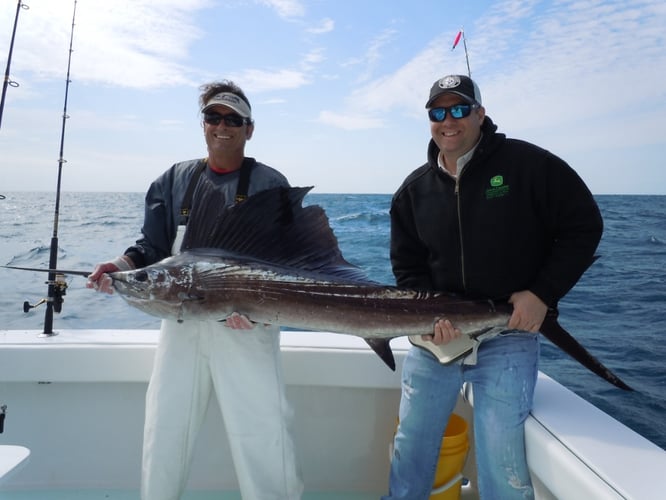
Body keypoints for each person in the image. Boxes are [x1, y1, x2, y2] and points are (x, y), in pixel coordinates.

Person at [384, 74, 603, 499]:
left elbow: (584, 224)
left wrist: (542, 293)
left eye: (460, 109)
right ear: (430, 120)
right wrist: (428, 318)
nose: (449, 120)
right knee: (411, 445)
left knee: (500, 451)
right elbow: (407, 268)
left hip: (509, 332)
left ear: (480, 114)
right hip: (439, 339)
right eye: (438, 112)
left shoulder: (529, 166)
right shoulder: (412, 192)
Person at [87, 80, 303, 500]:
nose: (223, 126)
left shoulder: (269, 183)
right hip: (180, 322)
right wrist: (121, 266)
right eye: (214, 117)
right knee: (164, 431)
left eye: (233, 119)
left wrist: (258, 308)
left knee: (263, 434)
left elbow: (290, 263)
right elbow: (151, 248)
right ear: (203, 124)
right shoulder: (175, 180)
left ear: (249, 129)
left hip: (246, 325)